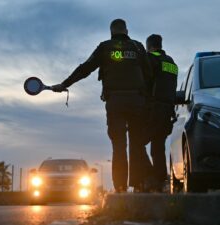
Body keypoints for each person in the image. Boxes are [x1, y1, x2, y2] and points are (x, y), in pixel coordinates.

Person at [52, 19, 153, 192]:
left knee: (119, 146)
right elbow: (149, 75)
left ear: (111, 32)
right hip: (137, 101)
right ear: (126, 31)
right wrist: (147, 102)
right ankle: (139, 185)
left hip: (115, 102)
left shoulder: (105, 47)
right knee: (137, 144)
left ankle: (120, 188)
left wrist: (65, 84)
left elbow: (85, 68)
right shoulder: (137, 47)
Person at [144, 34, 178, 192]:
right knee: (158, 147)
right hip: (167, 110)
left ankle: (151, 179)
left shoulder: (149, 59)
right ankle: (160, 181)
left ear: (149, 46)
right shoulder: (171, 62)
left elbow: (145, 83)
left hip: (153, 109)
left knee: (138, 143)